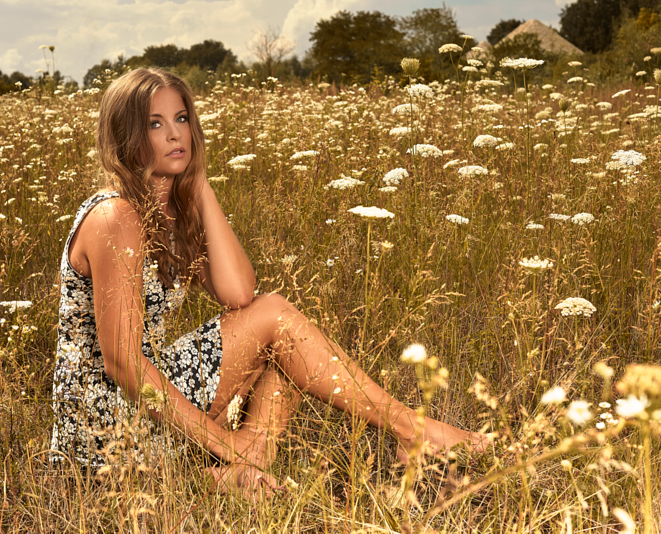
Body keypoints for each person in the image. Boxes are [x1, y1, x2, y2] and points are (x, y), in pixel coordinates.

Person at [50, 67, 487, 499]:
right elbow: (121, 362)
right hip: (99, 425)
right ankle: (413, 430)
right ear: (126, 138)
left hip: (144, 401)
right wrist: (226, 443)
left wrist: (199, 183)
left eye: (181, 119)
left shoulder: (169, 215)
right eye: (155, 124)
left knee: (291, 352)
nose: (174, 135)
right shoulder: (115, 216)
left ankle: (233, 475)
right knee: (276, 319)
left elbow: (237, 293)